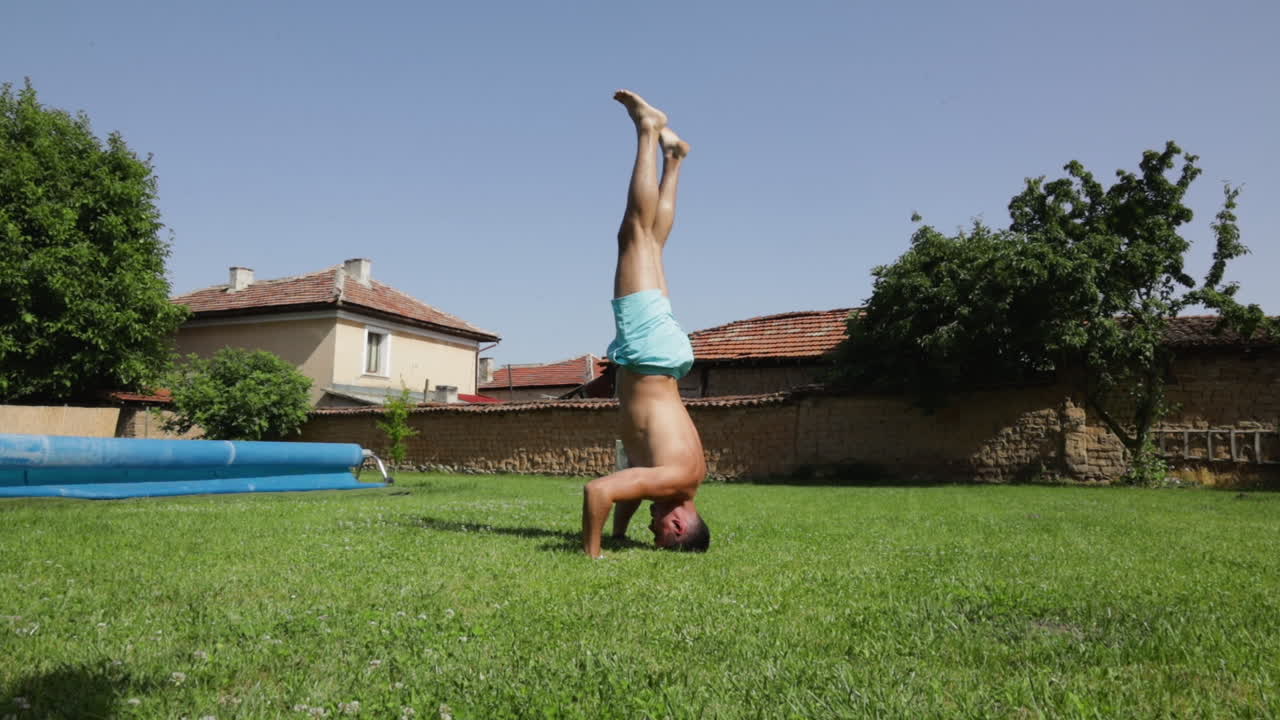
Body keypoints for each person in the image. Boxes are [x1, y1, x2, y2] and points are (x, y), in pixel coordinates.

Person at [581, 90, 711, 558]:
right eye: (659, 534)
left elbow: (631, 485)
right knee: (633, 235)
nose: (653, 530)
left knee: (652, 246)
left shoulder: (684, 482)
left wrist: (619, 533)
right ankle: (648, 130)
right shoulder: (671, 481)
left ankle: (673, 159)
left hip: (665, 356)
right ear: (679, 525)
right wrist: (593, 553)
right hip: (648, 354)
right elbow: (600, 490)